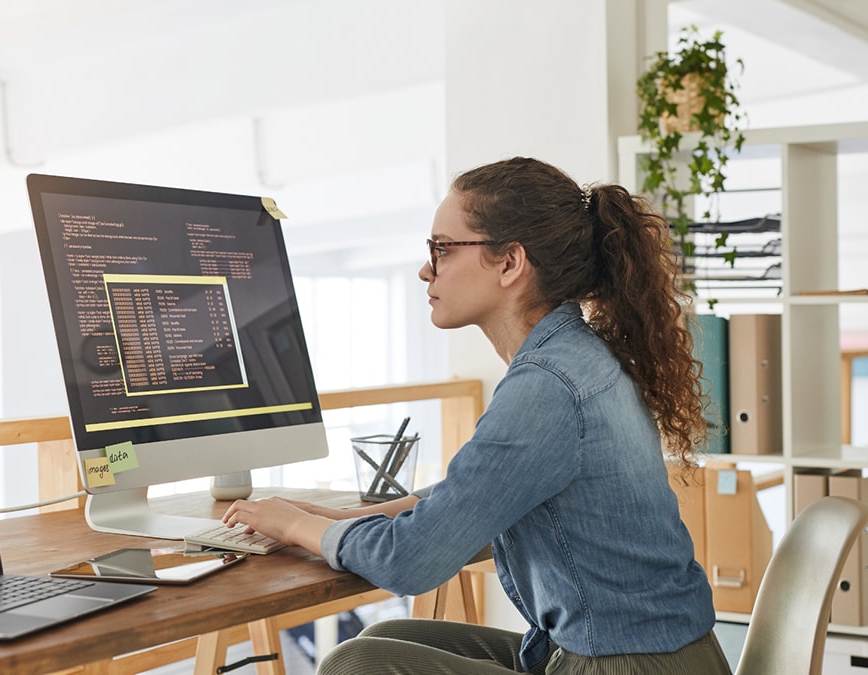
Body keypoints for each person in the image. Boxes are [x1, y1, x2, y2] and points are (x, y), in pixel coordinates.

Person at [222, 157, 731, 674]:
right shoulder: (568, 357)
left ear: (510, 263)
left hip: (628, 666)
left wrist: (294, 524)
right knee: (387, 636)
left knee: (360, 664)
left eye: (441, 249)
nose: (426, 269)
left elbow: (412, 560)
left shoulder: (548, 386)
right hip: (644, 653)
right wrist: (341, 520)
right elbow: (475, 502)